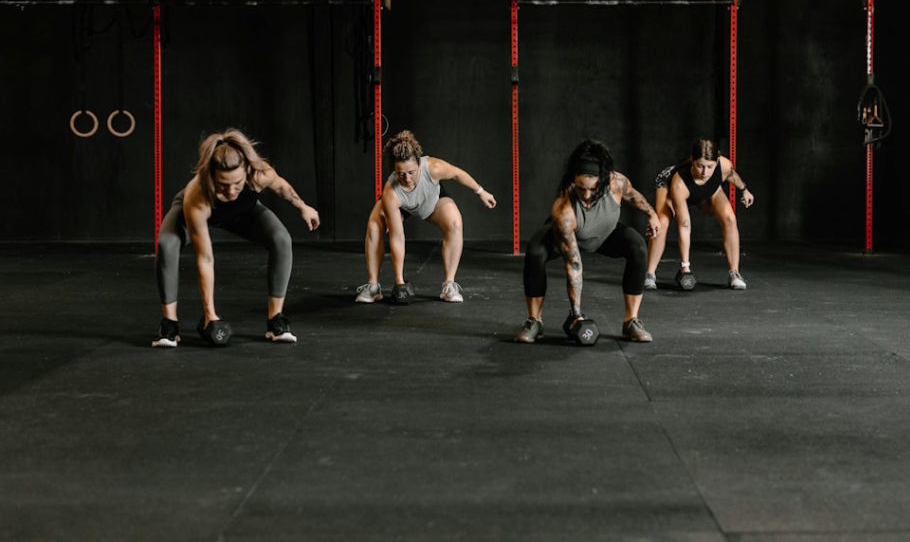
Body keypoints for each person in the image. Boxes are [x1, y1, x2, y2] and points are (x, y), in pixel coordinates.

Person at [151, 129, 320, 348]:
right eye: (223, 185)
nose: (231, 191)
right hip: (194, 213)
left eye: (237, 184)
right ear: (212, 176)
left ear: (247, 171)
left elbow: (281, 187)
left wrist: (302, 206)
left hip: (242, 215)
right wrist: (210, 315)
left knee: (281, 240)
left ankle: (276, 320)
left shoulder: (259, 174)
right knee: (167, 244)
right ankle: (169, 324)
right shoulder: (197, 193)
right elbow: (205, 258)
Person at [514, 139, 659, 345]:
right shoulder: (563, 210)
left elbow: (633, 196)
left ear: (605, 179)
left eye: (593, 189)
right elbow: (574, 265)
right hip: (567, 235)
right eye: (581, 188)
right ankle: (534, 321)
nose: (587, 195)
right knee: (536, 252)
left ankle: (631, 321)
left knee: (637, 246)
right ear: (573, 180)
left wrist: (652, 214)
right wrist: (576, 313)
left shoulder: (617, 182)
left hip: (604, 232)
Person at [355, 130, 497, 304]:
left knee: (455, 222)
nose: (407, 178)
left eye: (411, 172)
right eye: (401, 174)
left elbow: (457, 174)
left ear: (419, 165)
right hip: (402, 206)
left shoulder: (433, 168)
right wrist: (399, 281)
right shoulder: (391, 192)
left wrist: (481, 192)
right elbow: (397, 237)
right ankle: (373, 287)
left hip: (431, 201)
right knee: (374, 226)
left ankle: (449, 285)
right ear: (394, 170)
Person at [644, 138, 754, 292]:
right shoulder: (678, 182)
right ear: (693, 161)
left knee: (730, 218)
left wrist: (744, 189)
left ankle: (734, 274)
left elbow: (732, 175)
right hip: (670, 187)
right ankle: (649, 274)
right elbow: (684, 225)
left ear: (716, 162)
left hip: (707, 190)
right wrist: (685, 267)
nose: (705, 172)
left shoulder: (724, 165)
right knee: (661, 223)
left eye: (710, 166)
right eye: (700, 166)